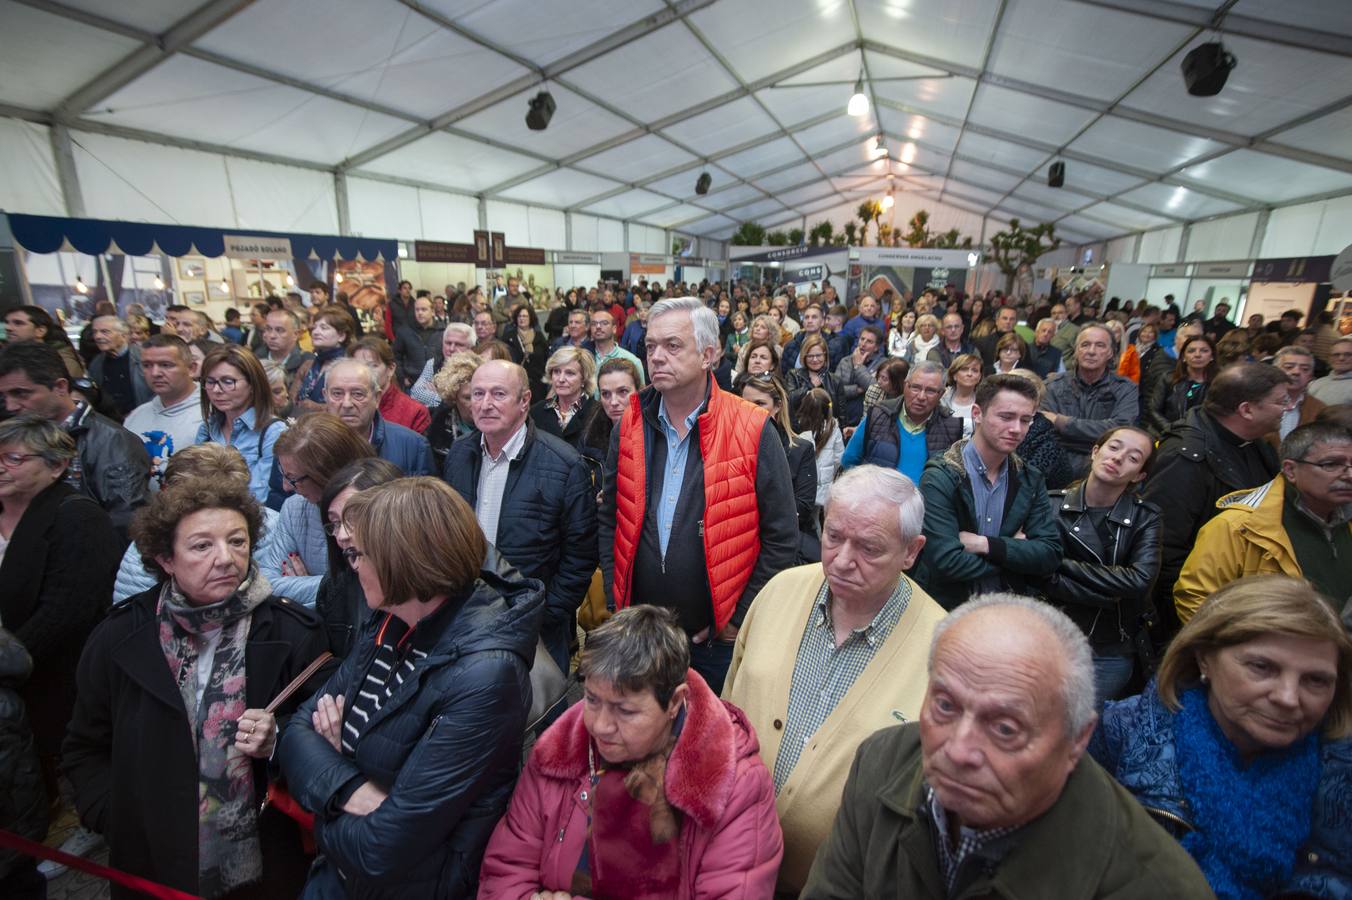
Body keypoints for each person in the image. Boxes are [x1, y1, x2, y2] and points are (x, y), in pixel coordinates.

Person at [801, 594, 1212, 899]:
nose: (959, 750)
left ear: (1077, 740)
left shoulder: (1157, 885)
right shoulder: (882, 762)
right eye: (945, 705)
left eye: (1005, 729)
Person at [64, 477, 330, 899]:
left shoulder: (293, 633)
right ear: (166, 558)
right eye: (202, 546)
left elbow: (326, 743)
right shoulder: (120, 637)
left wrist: (277, 739)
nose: (226, 558)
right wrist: (115, 815)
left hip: (266, 862)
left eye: (238, 541)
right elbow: (85, 744)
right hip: (150, 861)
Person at [277, 478, 544, 898]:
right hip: (339, 878)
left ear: (403, 562)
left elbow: (382, 849)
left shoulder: (485, 676)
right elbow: (296, 731)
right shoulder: (390, 621)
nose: (352, 566)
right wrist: (351, 788)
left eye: (358, 554)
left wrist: (327, 774)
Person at [723, 466, 945, 894]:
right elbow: (726, 708)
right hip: (728, 869)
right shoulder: (780, 591)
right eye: (833, 536)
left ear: (911, 551)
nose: (842, 560)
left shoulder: (942, 649)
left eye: (869, 548)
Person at [479, 605, 783, 898]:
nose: (599, 726)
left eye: (624, 711)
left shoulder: (735, 788)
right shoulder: (557, 754)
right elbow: (506, 869)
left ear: (674, 702)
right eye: (592, 699)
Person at [1090, 575, 1352, 899]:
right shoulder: (1117, 736)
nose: (1288, 697)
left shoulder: (1339, 767)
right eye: (1262, 667)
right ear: (1204, 657)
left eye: (1315, 680)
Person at [598, 297, 798, 695]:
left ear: (708, 354)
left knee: (709, 746)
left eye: (672, 346)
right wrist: (614, 597)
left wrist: (737, 618)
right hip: (641, 630)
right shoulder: (630, 424)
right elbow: (611, 517)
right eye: (651, 346)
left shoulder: (753, 428)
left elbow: (782, 537)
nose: (656, 357)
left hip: (714, 643)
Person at [444, 360, 597, 671]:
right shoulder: (460, 455)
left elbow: (580, 554)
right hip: (465, 616)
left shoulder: (564, 465)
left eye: (498, 394)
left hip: (534, 627)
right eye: (477, 394)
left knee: (535, 714)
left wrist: (547, 614)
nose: (485, 404)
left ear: (525, 400)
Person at [0, 416, 121, 802]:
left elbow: (65, 613)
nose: (1, 466)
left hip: (54, 673)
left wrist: (8, 661)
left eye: (14, 458)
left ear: (56, 466)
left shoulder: (76, 517)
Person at [1142, 362, 1290, 633]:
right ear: (1246, 409)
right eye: (1280, 401)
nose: (1288, 408)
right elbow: (1163, 547)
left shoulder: (1256, 444)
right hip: (1196, 615)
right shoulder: (1185, 457)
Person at [1175, 421, 1352, 622]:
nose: (1349, 475)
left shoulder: (1345, 520)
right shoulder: (1238, 526)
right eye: (1331, 464)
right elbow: (1196, 599)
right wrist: (1246, 650)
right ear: (1290, 470)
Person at [912, 374, 1061, 609]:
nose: (1016, 429)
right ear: (977, 413)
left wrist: (986, 545)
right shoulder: (942, 475)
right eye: (1006, 417)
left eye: (1025, 420)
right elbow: (945, 561)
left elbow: (1050, 554)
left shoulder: (1029, 478)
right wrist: (1014, 555)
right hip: (947, 609)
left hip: (1007, 609)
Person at [1041, 426, 1161, 702]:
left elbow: (1139, 581)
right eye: (1114, 447)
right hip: (1049, 638)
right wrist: (1109, 595)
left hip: (1108, 650)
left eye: (1133, 458)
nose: (1118, 458)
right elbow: (1038, 575)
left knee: (1080, 735)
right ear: (1095, 452)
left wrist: (1057, 560)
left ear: (1140, 475)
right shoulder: (1050, 504)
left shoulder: (1146, 518)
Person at [0, 341, 150, 538]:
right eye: (4, 396)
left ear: (60, 387)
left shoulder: (112, 441)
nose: (10, 406)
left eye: (21, 393)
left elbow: (126, 520)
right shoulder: (11, 434)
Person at [260, 412, 378, 608]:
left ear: (327, 472)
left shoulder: (378, 509)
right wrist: (327, 588)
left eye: (293, 478)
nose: (286, 487)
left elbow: (369, 586)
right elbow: (267, 585)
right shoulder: (294, 508)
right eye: (283, 474)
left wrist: (316, 587)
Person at [313, 458, 403, 658]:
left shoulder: (421, 588)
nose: (342, 535)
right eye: (335, 523)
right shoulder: (335, 586)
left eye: (354, 518)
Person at [737, 371, 819, 562]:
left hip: (781, 548)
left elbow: (803, 507)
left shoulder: (800, 450)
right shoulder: (730, 448)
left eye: (759, 404)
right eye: (745, 404)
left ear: (778, 406)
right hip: (740, 547)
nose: (750, 410)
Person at [1041, 324, 1139, 478]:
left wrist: (1061, 422)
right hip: (1055, 465)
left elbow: (1120, 430)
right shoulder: (1052, 386)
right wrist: (1098, 431)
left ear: (1110, 352)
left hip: (1103, 467)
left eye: (1100, 345)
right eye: (1085, 345)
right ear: (1076, 351)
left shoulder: (1125, 389)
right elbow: (1045, 431)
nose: (1091, 351)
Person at [842, 360, 962, 485]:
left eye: (930, 391)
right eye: (915, 387)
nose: (921, 397)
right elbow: (849, 461)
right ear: (905, 386)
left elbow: (954, 479)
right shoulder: (878, 416)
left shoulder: (952, 428)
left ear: (941, 394)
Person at [195, 344, 287, 504]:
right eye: (210, 382)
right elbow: (193, 484)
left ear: (252, 384)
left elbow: (259, 496)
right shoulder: (207, 428)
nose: (216, 390)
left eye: (228, 381)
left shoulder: (273, 431)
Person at [322, 358, 433, 475]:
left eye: (358, 394)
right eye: (337, 394)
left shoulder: (413, 447)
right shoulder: (309, 444)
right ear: (325, 396)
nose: (347, 404)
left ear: (377, 398)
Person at [122, 333, 205, 489]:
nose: (155, 373)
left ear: (191, 368)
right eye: (147, 365)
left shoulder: (212, 414)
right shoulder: (136, 417)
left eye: (166, 365)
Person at [529, 346, 608, 466]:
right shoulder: (537, 411)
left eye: (570, 373)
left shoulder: (599, 413)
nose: (561, 379)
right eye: (556, 372)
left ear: (584, 379)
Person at [349, 336, 430, 435]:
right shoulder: (345, 405)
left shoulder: (415, 412)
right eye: (358, 367)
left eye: (372, 366)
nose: (363, 373)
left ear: (390, 369)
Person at [1145, 334, 1216, 437]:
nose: (1197, 355)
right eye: (1191, 351)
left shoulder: (1218, 384)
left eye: (1204, 351)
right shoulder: (1169, 378)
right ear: (1183, 357)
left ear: (1212, 356)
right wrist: (1172, 429)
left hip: (1201, 438)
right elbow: (1153, 410)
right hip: (1163, 434)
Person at [291, 307, 357, 414]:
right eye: (314, 327)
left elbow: (351, 405)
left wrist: (316, 407)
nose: (315, 332)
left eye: (324, 328)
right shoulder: (309, 364)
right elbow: (293, 398)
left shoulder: (351, 367)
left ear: (341, 336)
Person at [426, 350, 481, 470]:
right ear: (453, 397)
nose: (476, 403)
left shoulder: (496, 425)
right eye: (467, 397)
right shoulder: (438, 424)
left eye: (479, 394)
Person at [87, 315, 151, 418]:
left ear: (124, 335)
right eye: (95, 332)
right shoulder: (96, 364)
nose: (97, 337)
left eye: (105, 331)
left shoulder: (144, 358)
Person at [796, 387, 844, 513]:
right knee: (817, 517)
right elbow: (839, 458)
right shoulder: (834, 428)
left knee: (807, 517)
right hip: (824, 485)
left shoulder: (800, 429)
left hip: (804, 485)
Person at [3, 305, 84, 380]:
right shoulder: (8, 357)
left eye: (18, 323)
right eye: (7, 323)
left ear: (40, 331)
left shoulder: (63, 362)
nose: (8, 328)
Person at [408, 322, 475, 408]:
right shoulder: (432, 363)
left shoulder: (475, 370)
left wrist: (438, 396)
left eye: (459, 344)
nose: (451, 349)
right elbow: (416, 393)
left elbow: (467, 402)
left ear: (471, 348)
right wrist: (443, 399)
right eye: (448, 343)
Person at [1271, 344, 1327, 446]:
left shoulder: (1319, 408)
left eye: (1305, 369)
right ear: (1275, 371)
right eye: (1289, 367)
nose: (1296, 372)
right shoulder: (1258, 403)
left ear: (1310, 376)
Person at [834, 325, 885, 428]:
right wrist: (857, 390)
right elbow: (836, 390)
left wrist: (858, 366)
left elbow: (875, 389)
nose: (863, 344)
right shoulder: (845, 361)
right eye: (862, 339)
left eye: (869, 341)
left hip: (868, 420)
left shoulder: (883, 365)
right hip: (843, 417)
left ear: (876, 347)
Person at [392, 295, 442, 390]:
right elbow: (396, 356)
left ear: (432, 312)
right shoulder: (405, 331)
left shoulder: (442, 331)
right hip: (412, 384)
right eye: (417, 310)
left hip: (436, 385)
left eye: (424, 309)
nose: (420, 313)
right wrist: (402, 378)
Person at [786, 333, 842, 418]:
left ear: (825, 355)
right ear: (804, 357)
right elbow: (790, 401)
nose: (815, 360)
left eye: (818, 355)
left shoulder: (835, 380)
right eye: (810, 356)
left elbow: (841, 413)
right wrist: (810, 386)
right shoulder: (793, 375)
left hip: (829, 427)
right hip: (800, 427)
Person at [503, 303, 548, 400]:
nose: (522, 318)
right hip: (515, 383)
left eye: (525, 316)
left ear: (531, 318)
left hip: (537, 384)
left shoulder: (539, 336)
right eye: (519, 316)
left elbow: (546, 356)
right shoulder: (509, 336)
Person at [259, 308, 314, 381]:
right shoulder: (255, 359)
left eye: (279, 330)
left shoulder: (308, 362)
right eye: (268, 329)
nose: (272, 336)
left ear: (295, 334)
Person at [941, 352, 981, 438]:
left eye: (975, 370)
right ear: (954, 375)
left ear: (979, 377)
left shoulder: (984, 402)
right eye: (964, 369)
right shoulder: (941, 399)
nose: (969, 374)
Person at [1308, 336, 1352, 406]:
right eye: (1336, 355)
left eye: (1348, 354)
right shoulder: (1316, 383)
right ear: (1329, 358)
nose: (1341, 358)